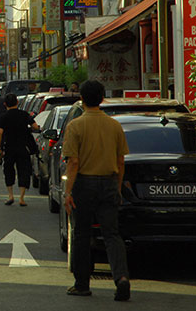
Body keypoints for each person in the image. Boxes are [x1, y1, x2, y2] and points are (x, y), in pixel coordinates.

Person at [62, 80, 130, 301]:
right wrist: (117, 188)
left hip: (84, 184)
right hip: (109, 182)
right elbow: (120, 161)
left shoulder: (75, 126)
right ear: (102, 98)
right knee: (112, 234)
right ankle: (121, 278)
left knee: (81, 234)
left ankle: (82, 284)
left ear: (81, 99)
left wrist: (67, 191)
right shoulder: (114, 125)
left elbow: (73, 162)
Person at [0, 93, 40, 206]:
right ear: (17, 102)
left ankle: (10, 196)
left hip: (9, 147)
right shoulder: (24, 115)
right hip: (23, 147)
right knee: (24, 170)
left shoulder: (3, 117)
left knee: (8, 170)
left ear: (5, 104)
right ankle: (21, 197)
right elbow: (35, 127)